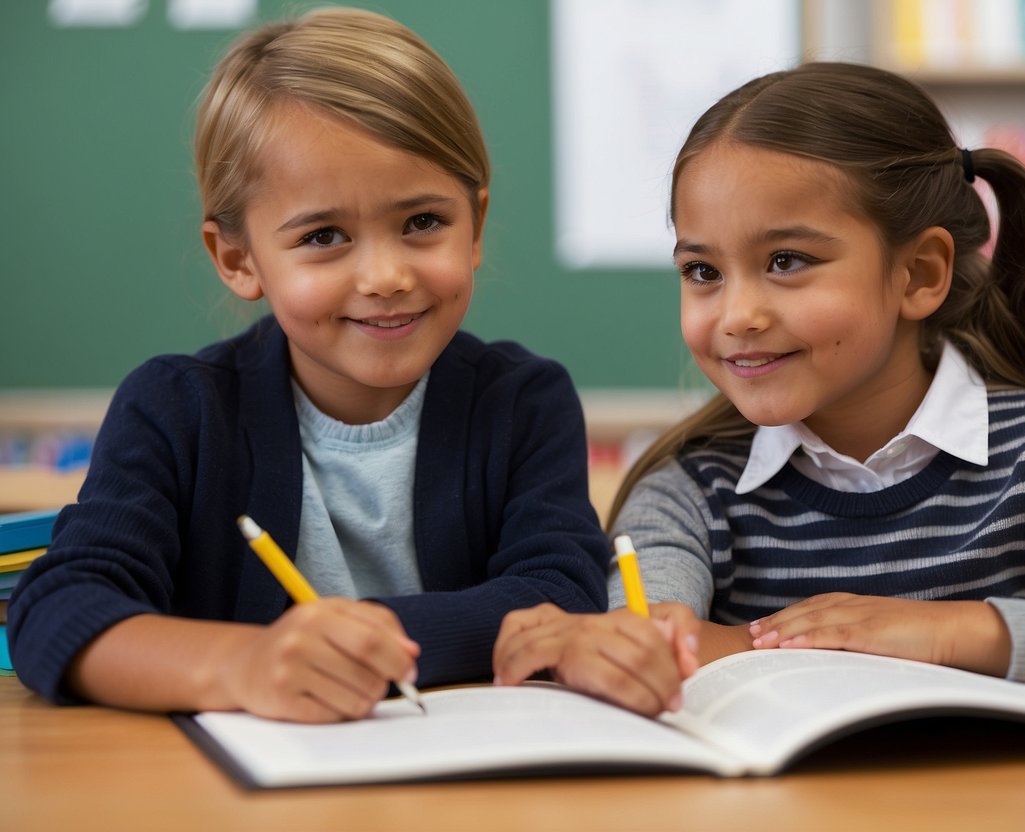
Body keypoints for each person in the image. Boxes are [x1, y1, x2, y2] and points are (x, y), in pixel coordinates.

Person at [493, 61, 1025, 716]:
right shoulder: (687, 488)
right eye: (702, 272)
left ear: (919, 274)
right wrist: (626, 652)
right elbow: (650, 645)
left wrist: (946, 631)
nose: (737, 316)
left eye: (785, 260)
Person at [9, 7, 609, 723]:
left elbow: (561, 596)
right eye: (324, 235)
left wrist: (355, 645)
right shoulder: (175, 410)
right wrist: (245, 663)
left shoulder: (523, 402)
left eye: (422, 222)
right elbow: (58, 611)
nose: (385, 275)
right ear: (238, 259)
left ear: (474, 224)